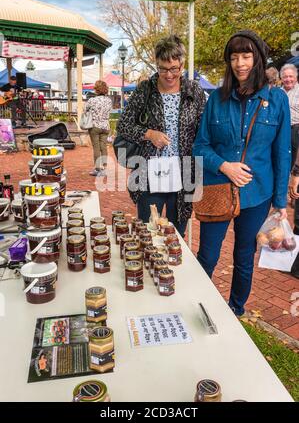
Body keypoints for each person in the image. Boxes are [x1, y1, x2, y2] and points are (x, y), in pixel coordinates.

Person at [193, 30, 291, 317]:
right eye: (234, 57)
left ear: (258, 58)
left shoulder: (277, 100)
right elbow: (200, 145)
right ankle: (197, 305)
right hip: (217, 190)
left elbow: (282, 152)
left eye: (246, 56)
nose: (240, 63)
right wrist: (224, 166)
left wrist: (280, 202)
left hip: (257, 193)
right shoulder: (216, 100)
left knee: (244, 256)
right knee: (208, 256)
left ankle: (235, 309)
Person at [116, 35, 206, 236]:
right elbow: (123, 125)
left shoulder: (195, 91)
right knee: (148, 233)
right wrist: (148, 133)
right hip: (149, 174)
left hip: (184, 174)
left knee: (176, 236)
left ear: (182, 65)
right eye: (163, 68)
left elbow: (204, 132)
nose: (169, 75)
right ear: (156, 64)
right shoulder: (144, 90)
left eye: (174, 68)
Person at [86, 80, 112, 176]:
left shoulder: (92, 100)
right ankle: (105, 168)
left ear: (96, 90)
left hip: (95, 126)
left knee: (96, 147)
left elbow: (86, 109)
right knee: (103, 147)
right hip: (105, 126)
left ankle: (97, 169)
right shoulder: (109, 100)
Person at [280, 64, 299, 168]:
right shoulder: (278, 92)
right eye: (285, 76)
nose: (288, 79)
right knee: (283, 157)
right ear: (281, 78)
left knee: (295, 162)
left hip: (295, 130)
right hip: (281, 130)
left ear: (296, 77)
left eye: (291, 76)